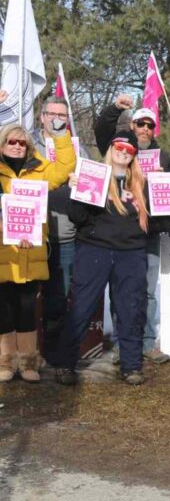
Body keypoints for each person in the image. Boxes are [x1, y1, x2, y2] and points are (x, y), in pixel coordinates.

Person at [53, 131, 170, 385]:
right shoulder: (95, 175)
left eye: (130, 149)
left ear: (134, 155)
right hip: (94, 249)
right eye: (119, 146)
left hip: (131, 253)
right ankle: (65, 364)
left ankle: (131, 366)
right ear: (111, 149)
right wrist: (75, 191)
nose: (124, 152)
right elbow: (78, 217)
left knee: (130, 309)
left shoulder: (142, 184)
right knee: (82, 306)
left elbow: (156, 225)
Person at [96, 95, 170, 365]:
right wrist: (115, 108)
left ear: (155, 130)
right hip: (121, 233)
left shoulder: (163, 156)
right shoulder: (120, 149)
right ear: (131, 126)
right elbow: (101, 130)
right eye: (139, 124)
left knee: (148, 292)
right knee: (121, 290)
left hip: (149, 234)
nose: (144, 129)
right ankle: (121, 344)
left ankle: (148, 343)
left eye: (149, 125)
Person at [0, 123, 76, 383]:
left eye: (22, 143)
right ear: (2, 144)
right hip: (3, 252)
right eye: (11, 141)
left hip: (31, 251)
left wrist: (60, 134)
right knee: (4, 310)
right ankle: (6, 363)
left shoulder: (41, 170)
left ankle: (29, 363)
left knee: (27, 307)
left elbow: (66, 167)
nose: (17, 146)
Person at [31, 97, 91, 354]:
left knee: (59, 297)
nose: (56, 118)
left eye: (62, 115)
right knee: (25, 299)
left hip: (66, 234)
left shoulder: (78, 149)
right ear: (41, 116)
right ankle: (24, 352)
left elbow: (95, 184)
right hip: (30, 236)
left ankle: (54, 351)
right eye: (51, 113)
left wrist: (83, 183)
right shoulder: (25, 144)